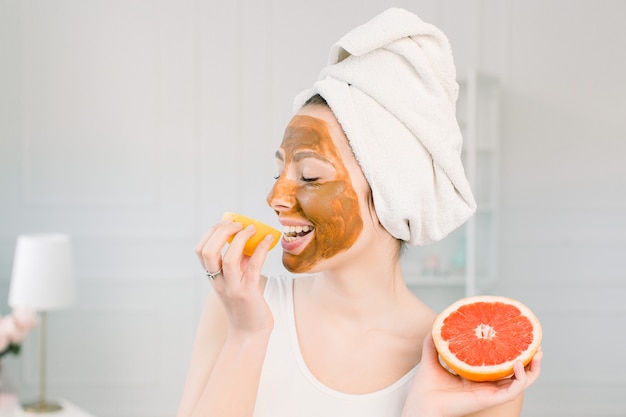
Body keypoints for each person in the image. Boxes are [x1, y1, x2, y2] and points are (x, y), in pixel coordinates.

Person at [176, 7, 542, 417]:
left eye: (310, 176)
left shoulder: (469, 366)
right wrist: (248, 336)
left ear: (393, 192)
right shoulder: (241, 309)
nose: (275, 197)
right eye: (279, 172)